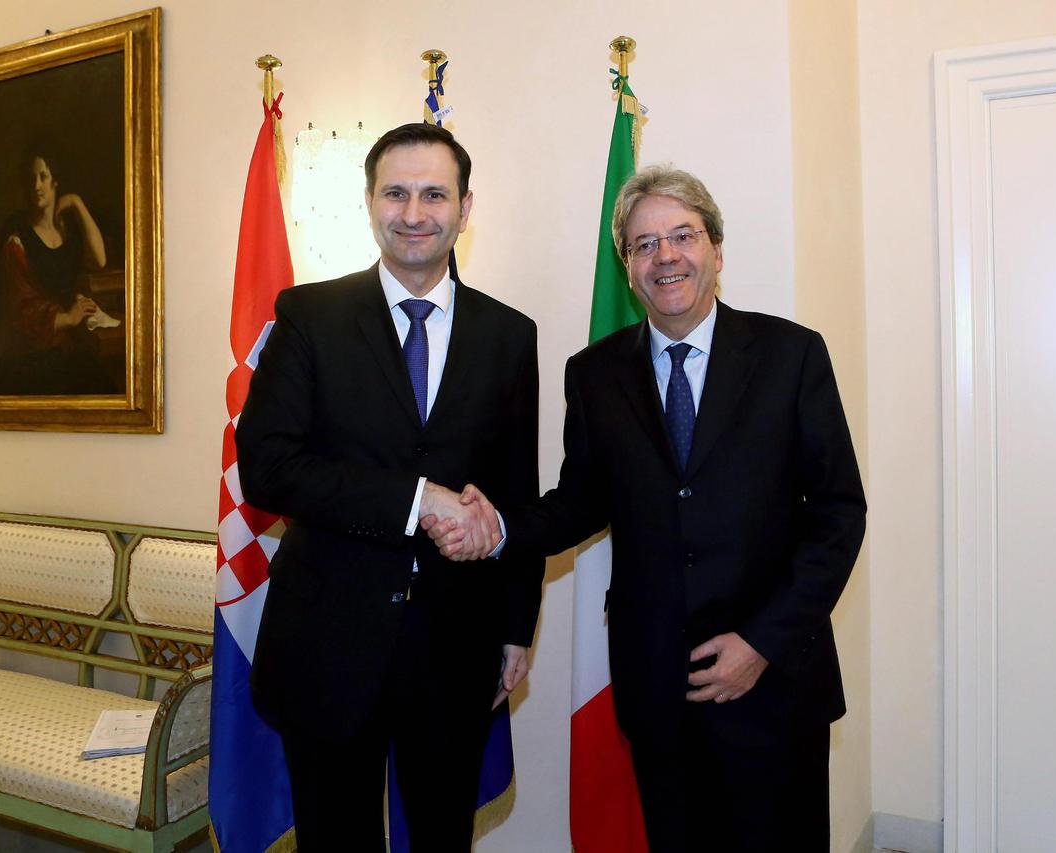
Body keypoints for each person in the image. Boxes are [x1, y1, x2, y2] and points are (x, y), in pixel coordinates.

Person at [428, 165, 866, 850]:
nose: (665, 256)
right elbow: (580, 503)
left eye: (682, 236)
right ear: (627, 268)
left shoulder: (792, 355)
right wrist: (499, 523)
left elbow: (839, 514)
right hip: (658, 686)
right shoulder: (595, 373)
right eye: (643, 244)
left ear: (716, 251)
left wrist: (761, 643)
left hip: (777, 681)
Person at [236, 122, 543, 852]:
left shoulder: (510, 334)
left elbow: (516, 493)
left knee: (443, 838)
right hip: (328, 645)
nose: (414, 212)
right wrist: (417, 499)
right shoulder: (307, 316)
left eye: (434, 194)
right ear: (369, 201)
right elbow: (269, 467)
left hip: (457, 647)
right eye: (396, 193)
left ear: (466, 207)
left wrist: (514, 623)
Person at [0, 148, 114, 395]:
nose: (36, 185)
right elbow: (20, 313)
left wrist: (77, 203)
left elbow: (100, 260)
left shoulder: (66, 230)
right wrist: (69, 317)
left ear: (55, 181)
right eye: (31, 178)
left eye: (43, 177)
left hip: (67, 343)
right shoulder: (17, 240)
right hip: (31, 352)